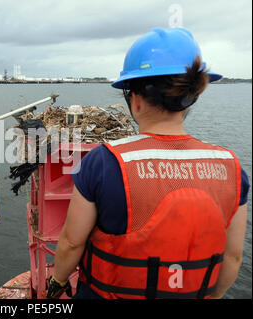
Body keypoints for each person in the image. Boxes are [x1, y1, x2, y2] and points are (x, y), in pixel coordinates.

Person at [47, 27, 249, 299]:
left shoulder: (103, 162)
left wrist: (58, 281)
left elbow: (72, 243)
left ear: (136, 99)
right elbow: (233, 257)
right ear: (189, 98)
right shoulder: (232, 168)